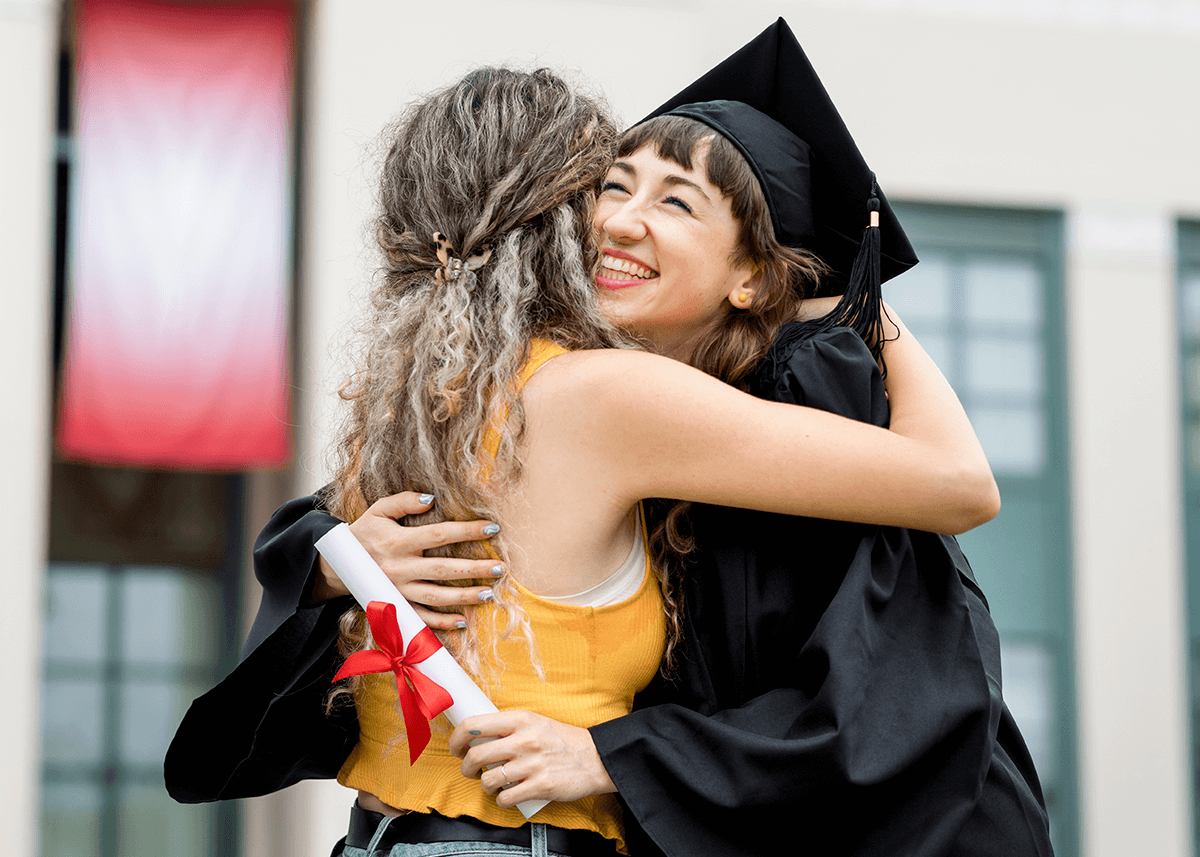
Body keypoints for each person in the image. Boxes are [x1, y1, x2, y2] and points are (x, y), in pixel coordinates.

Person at [166, 23, 1031, 857]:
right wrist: (863, 302)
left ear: (751, 274)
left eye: (676, 200)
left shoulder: (428, 391)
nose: (618, 219)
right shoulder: (608, 397)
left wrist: (329, 557)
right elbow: (955, 480)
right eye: (608, 187)